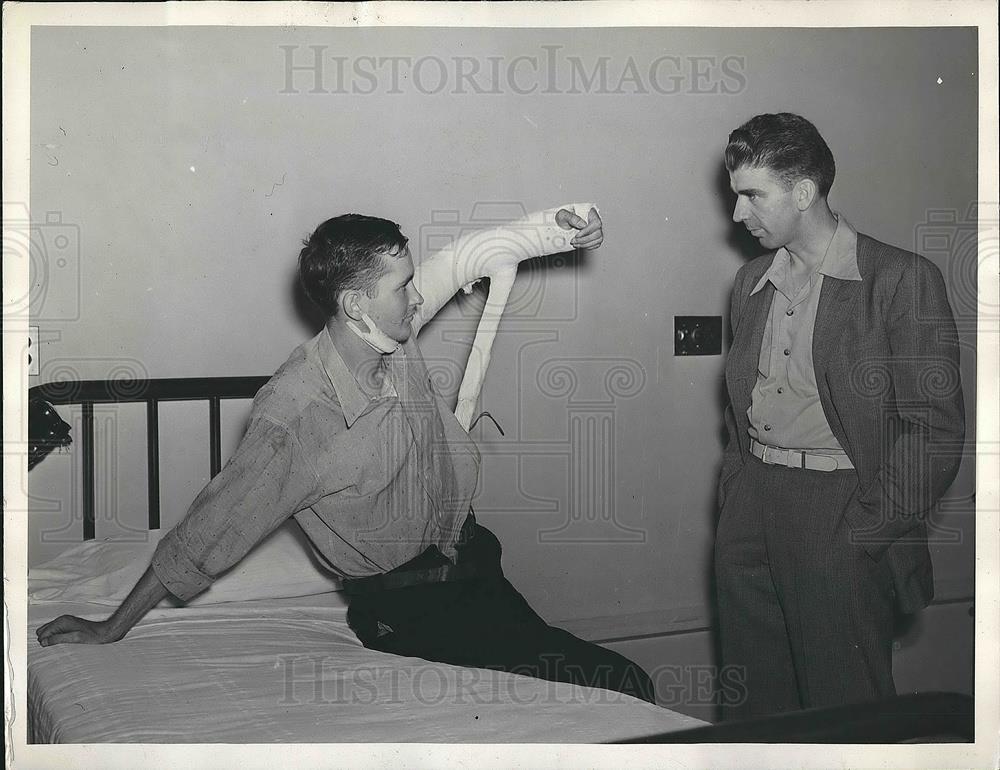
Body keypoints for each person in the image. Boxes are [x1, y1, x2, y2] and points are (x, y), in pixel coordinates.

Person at [36, 206, 656, 704]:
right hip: (411, 610)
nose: (418, 299)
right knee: (619, 685)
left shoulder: (391, 334)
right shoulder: (299, 415)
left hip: (477, 574)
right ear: (356, 305)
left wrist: (556, 227)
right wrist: (109, 626)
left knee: (614, 680)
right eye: (403, 287)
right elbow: (209, 531)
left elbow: (461, 259)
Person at [714, 113, 965, 718]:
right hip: (753, 506)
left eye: (752, 195)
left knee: (843, 710)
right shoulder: (751, 281)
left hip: (841, 510)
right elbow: (739, 409)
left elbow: (933, 431)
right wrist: (736, 500)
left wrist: (866, 533)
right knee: (756, 708)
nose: (738, 215)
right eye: (735, 197)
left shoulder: (901, 280)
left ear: (803, 192)